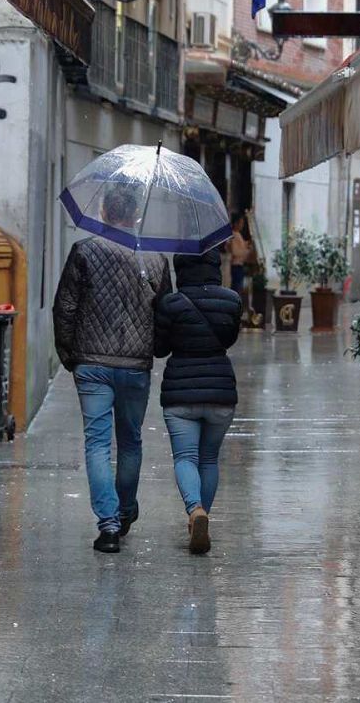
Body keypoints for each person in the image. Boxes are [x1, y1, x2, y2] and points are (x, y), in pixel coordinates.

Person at [53, 186, 172, 553]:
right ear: (135, 215)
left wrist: (69, 354)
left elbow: (65, 308)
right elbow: (164, 314)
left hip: (91, 364)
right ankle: (123, 511)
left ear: (103, 212)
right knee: (131, 440)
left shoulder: (84, 252)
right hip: (135, 366)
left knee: (98, 443)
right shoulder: (155, 259)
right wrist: (156, 349)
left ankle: (108, 525)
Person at [152, 247, 242, 554]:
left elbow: (160, 348)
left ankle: (195, 511)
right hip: (220, 392)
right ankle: (200, 518)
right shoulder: (231, 301)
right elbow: (228, 339)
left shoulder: (171, 304)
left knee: (185, 458)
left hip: (180, 393)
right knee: (209, 459)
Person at [227, 212, 255, 297]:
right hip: (236, 266)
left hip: (239, 266)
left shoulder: (237, 234)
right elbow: (235, 252)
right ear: (236, 223)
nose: (242, 225)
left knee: (238, 288)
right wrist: (247, 251)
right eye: (241, 223)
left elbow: (240, 246)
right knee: (236, 289)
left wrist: (246, 244)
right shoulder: (234, 235)